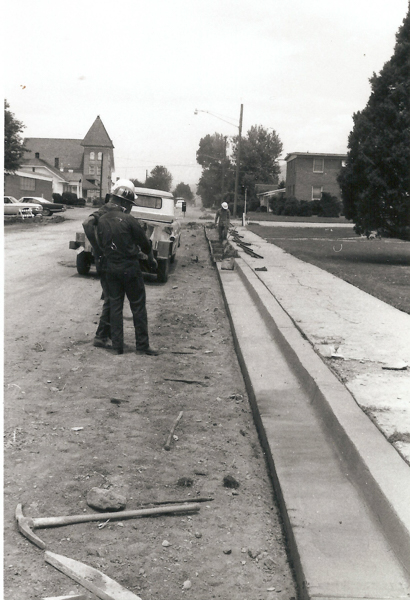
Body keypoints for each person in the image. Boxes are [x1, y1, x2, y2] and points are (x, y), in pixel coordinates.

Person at [84, 181, 159, 355]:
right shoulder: (130, 220)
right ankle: (142, 345)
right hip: (130, 267)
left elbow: (94, 232)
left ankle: (117, 346)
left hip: (110, 267)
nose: (131, 208)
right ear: (125, 203)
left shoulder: (101, 219)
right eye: (130, 204)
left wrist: (98, 249)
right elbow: (144, 243)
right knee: (138, 305)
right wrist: (151, 258)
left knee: (115, 305)